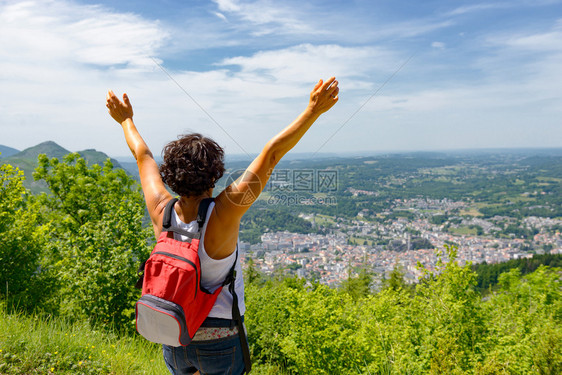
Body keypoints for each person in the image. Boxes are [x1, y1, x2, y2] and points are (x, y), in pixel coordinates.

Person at [106, 77, 339, 375]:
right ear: (214, 176)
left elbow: (143, 155)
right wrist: (313, 111)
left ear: (171, 174)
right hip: (221, 339)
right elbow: (271, 154)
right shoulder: (224, 212)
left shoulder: (160, 210)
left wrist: (125, 119)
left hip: (175, 332)